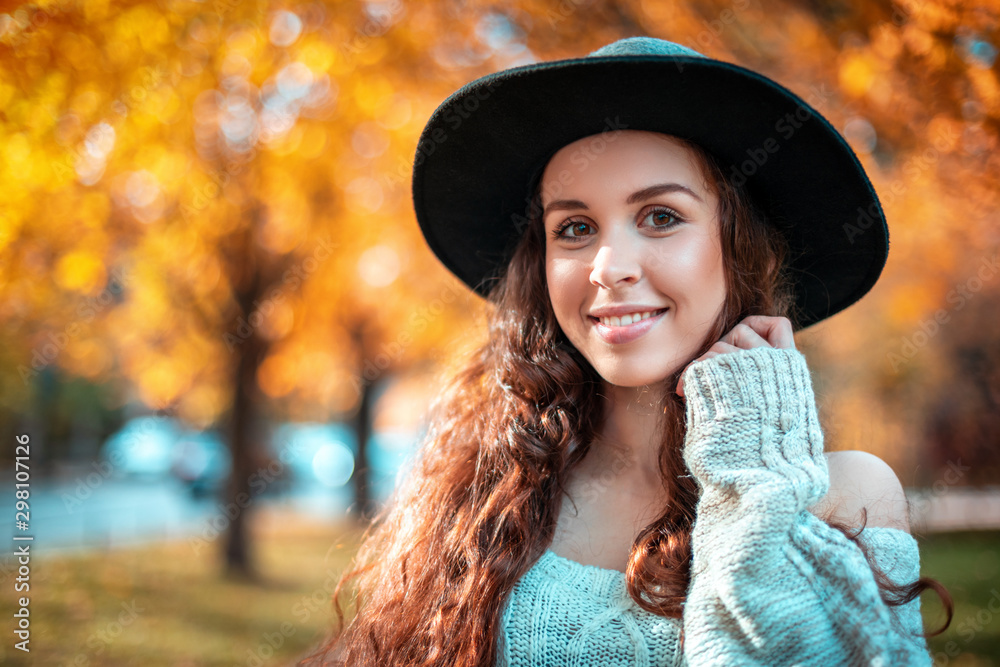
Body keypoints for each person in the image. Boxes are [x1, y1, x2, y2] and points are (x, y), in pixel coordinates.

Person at [300, 37, 953, 666]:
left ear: (740, 246)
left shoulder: (847, 493)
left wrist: (752, 466)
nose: (608, 267)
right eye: (576, 228)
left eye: (661, 216)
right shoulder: (484, 488)